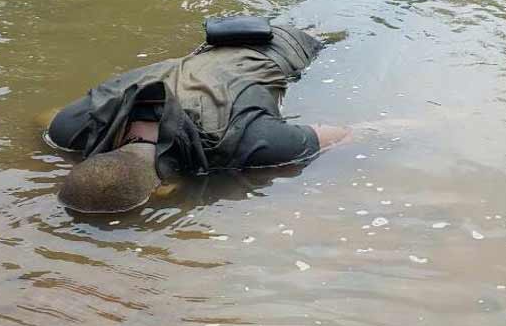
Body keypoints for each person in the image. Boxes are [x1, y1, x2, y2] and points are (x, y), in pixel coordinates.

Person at [45, 17, 350, 213]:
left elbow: (345, 135)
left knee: (339, 32)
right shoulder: (74, 125)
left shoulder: (244, 142)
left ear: (166, 188)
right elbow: (43, 117)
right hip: (217, 40)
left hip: (289, 44)